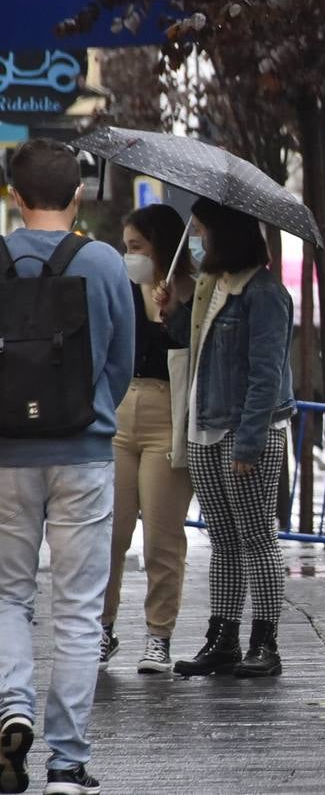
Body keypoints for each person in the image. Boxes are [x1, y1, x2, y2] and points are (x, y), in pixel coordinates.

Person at [0, 138, 133, 795]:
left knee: (5, 595)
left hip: (4, 459)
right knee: (79, 610)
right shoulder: (105, 263)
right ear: (79, 193)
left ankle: (11, 708)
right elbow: (123, 363)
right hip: (84, 452)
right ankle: (68, 764)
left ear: (13, 196)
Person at [155, 200, 294, 677]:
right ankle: (223, 636)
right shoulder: (211, 287)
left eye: (202, 231)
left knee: (257, 537)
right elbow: (197, 349)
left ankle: (265, 641)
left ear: (225, 234)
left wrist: (249, 442)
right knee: (224, 539)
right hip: (205, 426)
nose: (198, 240)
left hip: (245, 430)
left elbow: (266, 374)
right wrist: (171, 312)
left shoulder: (265, 293)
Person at [99, 205, 194, 676]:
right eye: (126, 246)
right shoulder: (119, 289)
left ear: (160, 246)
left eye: (137, 246)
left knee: (161, 537)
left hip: (167, 415)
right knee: (110, 532)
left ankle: (159, 635)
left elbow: (195, 356)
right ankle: (103, 627)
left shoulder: (190, 293)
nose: (129, 255)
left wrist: (171, 313)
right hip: (120, 413)